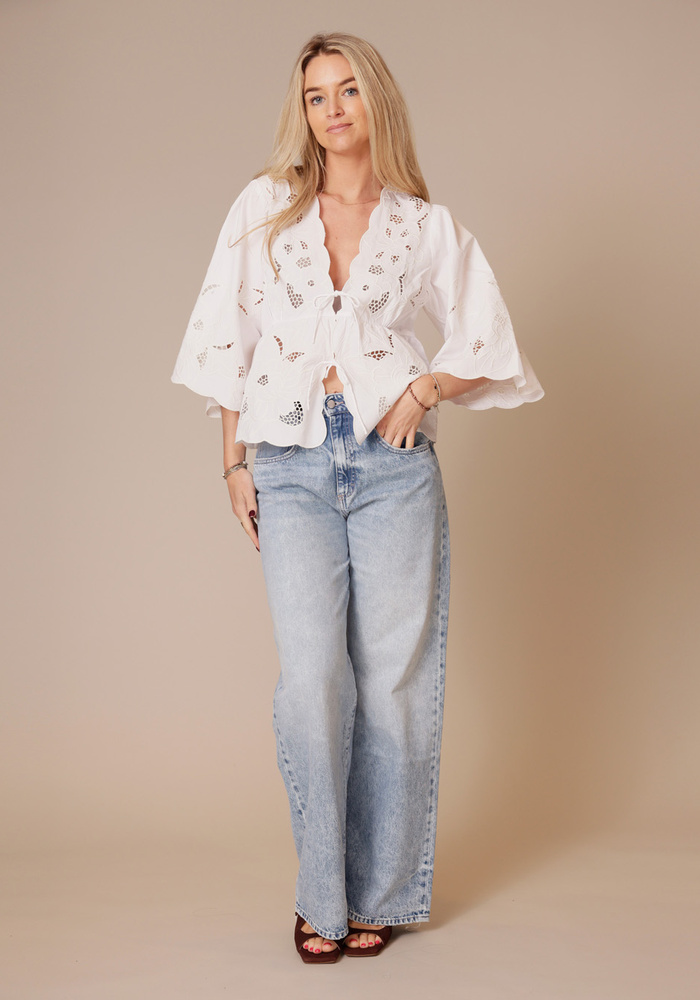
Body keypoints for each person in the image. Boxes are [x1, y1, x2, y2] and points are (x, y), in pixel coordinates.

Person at [172, 31, 543, 964]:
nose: (333, 110)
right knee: (312, 684)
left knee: (395, 688)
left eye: (347, 91)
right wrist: (233, 463)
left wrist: (423, 391)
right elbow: (226, 336)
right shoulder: (263, 209)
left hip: (391, 468)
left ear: (376, 100)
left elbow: (488, 339)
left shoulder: (422, 226)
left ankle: (379, 893)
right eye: (316, 96)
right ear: (301, 112)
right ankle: (321, 895)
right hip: (290, 465)